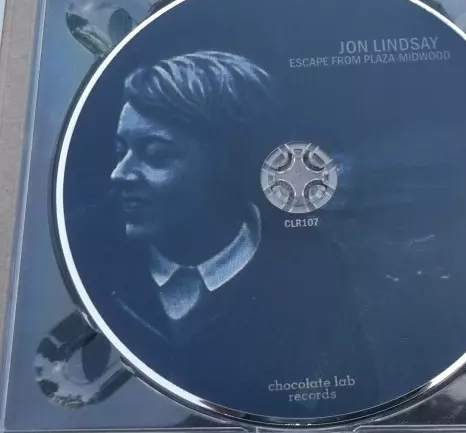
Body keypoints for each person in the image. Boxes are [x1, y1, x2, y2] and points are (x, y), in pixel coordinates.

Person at [69, 51, 379, 419]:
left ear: (232, 164)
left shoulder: (315, 268)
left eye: (156, 155)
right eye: (121, 151)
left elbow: (350, 404)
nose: (119, 174)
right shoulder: (82, 250)